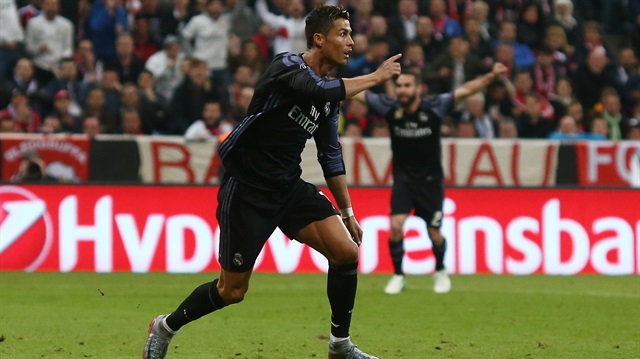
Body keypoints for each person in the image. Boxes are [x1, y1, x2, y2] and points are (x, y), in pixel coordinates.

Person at [142, 5, 401, 359]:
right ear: (318, 39)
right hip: (248, 188)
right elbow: (321, 90)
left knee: (346, 253)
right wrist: (375, 77)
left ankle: (340, 346)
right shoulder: (288, 67)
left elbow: (330, 154)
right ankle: (165, 326)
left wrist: (348, 212)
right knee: (231, 290)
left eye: (351, 34)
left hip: (288, 187)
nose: (351, 42)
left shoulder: (329, 100)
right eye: (343, 33)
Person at [352, 62, 507, 295]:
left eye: (407, 85)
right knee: (395, 226)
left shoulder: (435, 107)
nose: (402, 90)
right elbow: (360, 94)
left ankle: (441, 270)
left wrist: (492, 76)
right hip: (403, 181)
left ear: (419, 88)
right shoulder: (390, 108)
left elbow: (466, 90)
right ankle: (398, 276)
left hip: (431, 182)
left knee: (434, 233)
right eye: (399, 86)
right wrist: (330, 80)